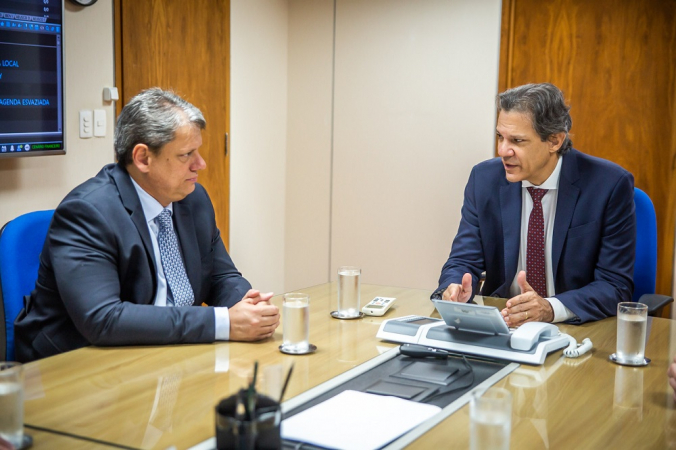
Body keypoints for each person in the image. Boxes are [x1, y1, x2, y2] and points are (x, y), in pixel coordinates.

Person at [14, 88, 280, 362]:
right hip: (74, 364)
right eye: (186, 154)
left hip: (162, 351)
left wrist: (247, 305)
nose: (200, 164)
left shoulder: (193, 198)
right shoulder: (87, 212)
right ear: (143, 158)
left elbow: (221, 277)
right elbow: (104, 319)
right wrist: (223, 322)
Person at [433, 83, 635, 326]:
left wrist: (550, 308)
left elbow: (615, 285)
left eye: (517, 140)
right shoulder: (484, 179)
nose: (503, 151)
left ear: (554, 141)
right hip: (504, 323)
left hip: (575, 328)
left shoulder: (608, 185)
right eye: (500, 137)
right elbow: (463, 260)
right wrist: (454, 288)